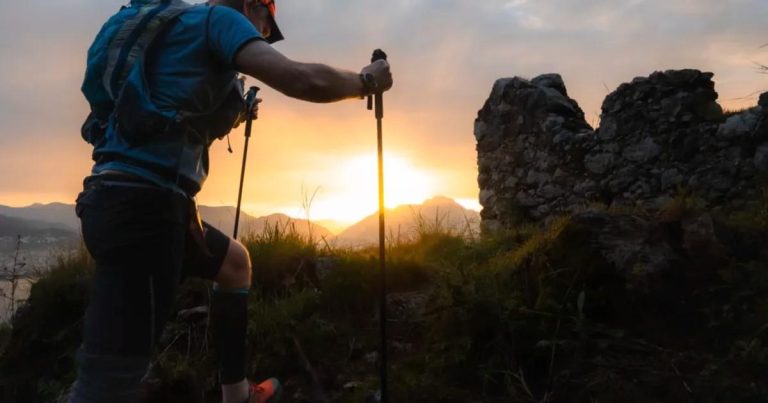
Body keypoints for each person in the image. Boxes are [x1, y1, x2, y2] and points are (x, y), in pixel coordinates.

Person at [69, 0, 392, 402]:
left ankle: (237, 394)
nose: (263, 37)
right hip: (147, 214)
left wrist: (238, 113)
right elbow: (302, 79)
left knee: (235, 263)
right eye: (266, 27)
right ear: (252, 5)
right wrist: (367, 80)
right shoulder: (216, 21)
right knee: (108, 382)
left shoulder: (167, 25)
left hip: (125, 199)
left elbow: (173, 106)